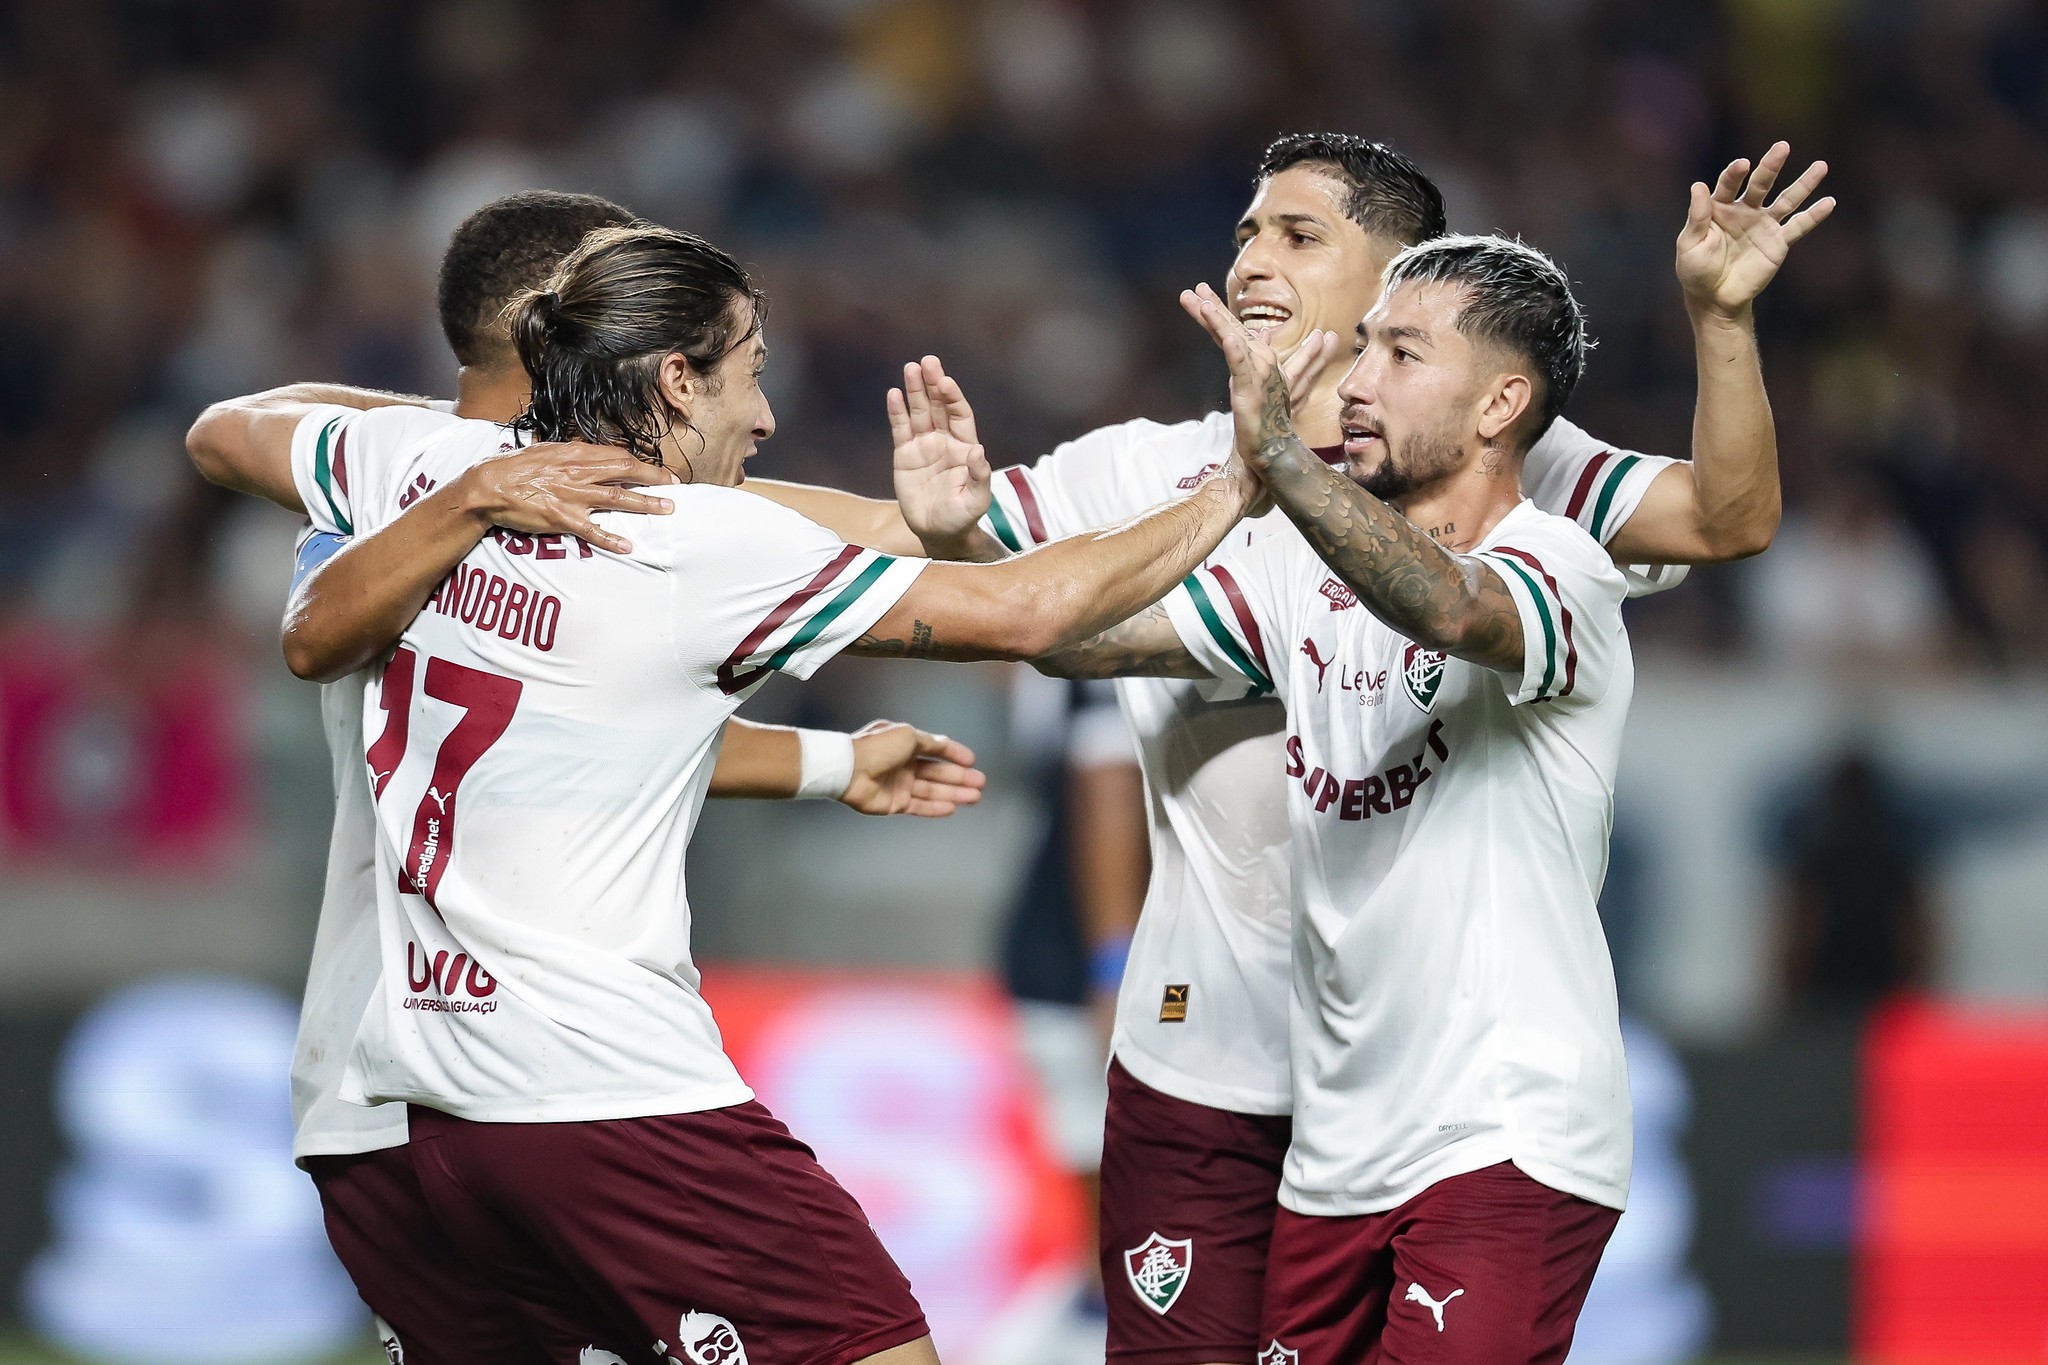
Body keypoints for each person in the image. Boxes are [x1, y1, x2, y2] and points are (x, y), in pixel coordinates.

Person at [752, 134, 1828, 1365]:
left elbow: (1721, 519)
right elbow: (1031, 611)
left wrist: (1718, 323)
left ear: (1400, 284)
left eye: (1296, 235)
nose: (1252, 257)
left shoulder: (1530, 484)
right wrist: (689, 494)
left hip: (1438, 1078)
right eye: (1246, 233)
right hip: (1210, 1046)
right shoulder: (1157, 472)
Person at [183, 223, 1273, 1365]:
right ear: (672, 376)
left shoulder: (418, 466)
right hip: (596, 1085)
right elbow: (1022, 613)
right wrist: (1240, 484)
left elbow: (227, 435)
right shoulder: (698, 539)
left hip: (399, 1096)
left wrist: (834, 755)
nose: (763, 415)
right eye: (751, 376)